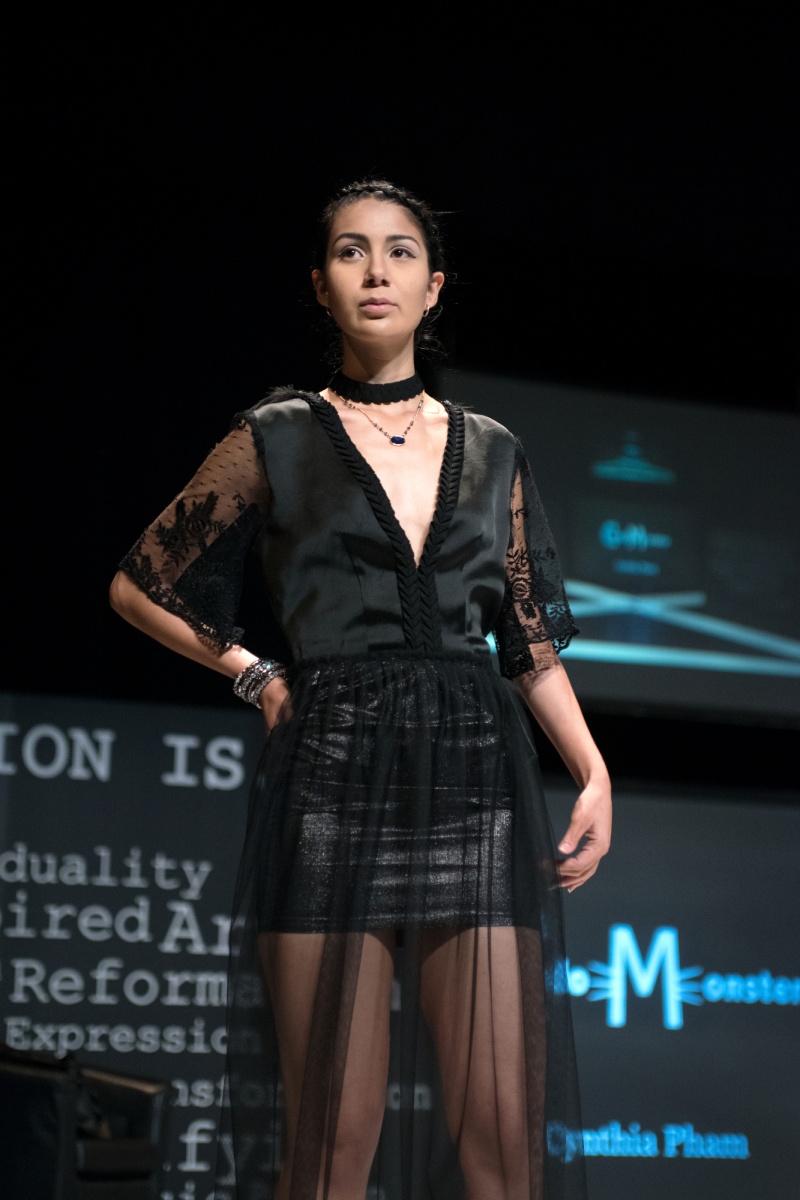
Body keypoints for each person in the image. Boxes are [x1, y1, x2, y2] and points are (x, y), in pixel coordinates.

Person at [110, 179, 611, 1200]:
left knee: (504, 1150)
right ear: (320, 285)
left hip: (472, 779)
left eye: (397, 253)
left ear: (432, 289)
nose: (374, 270)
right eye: (349, 251)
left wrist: (591, 771)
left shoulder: (492, 446)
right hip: (330, 774)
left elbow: (524, 634)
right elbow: (139, 584)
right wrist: (253, 675)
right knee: (330, 1150)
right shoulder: (276, 433)